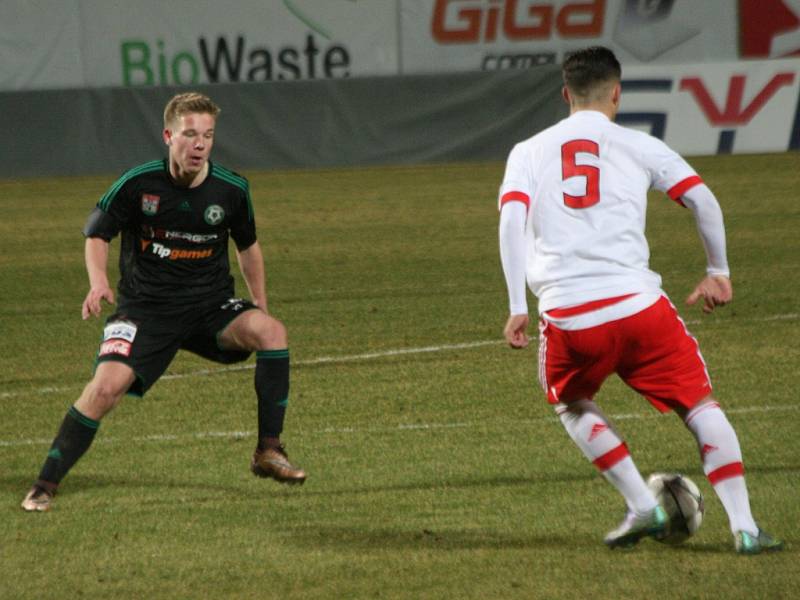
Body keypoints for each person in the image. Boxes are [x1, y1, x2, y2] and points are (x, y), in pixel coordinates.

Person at [498, 47, 782, 554]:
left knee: (570, 401)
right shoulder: (638, 145)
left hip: (570, 315)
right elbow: (703, 199)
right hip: (640, 307)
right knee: (699, 405)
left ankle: (640, 504)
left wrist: (517, 302)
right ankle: (744, 526)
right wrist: (717, 272)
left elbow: (511, 219)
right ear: (617, 93)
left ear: (566, 94)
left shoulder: (528, 150)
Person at [22, 92, 306, 512]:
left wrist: (259, 305)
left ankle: (268, 450)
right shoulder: (138, 183)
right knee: (105, 389)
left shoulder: (231, 189)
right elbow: (97, 234)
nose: (200, 144)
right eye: (190, 134)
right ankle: (45, 484)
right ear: (168, 135)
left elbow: (248, 248)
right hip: (144, 311)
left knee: (272, 332)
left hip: (209, 307)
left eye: (208, 135)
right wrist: (98, 281)